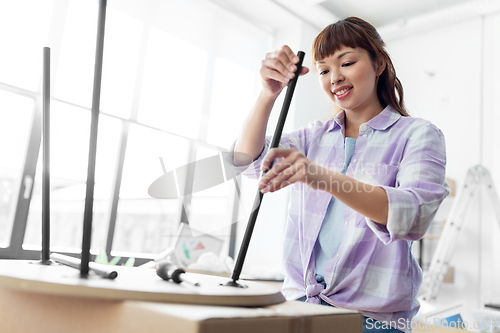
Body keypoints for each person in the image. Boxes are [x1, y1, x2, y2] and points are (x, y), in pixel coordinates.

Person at [231, 17, 450, 333]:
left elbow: (412, 215)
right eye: (323, 70)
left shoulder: (418, 135)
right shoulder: (313, 137)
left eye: (346, 62)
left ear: (379, 65)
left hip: (373, 322)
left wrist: (320, 176)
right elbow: (248, 163)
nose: (334, 77)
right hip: (300, 308)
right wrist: (267, 95)